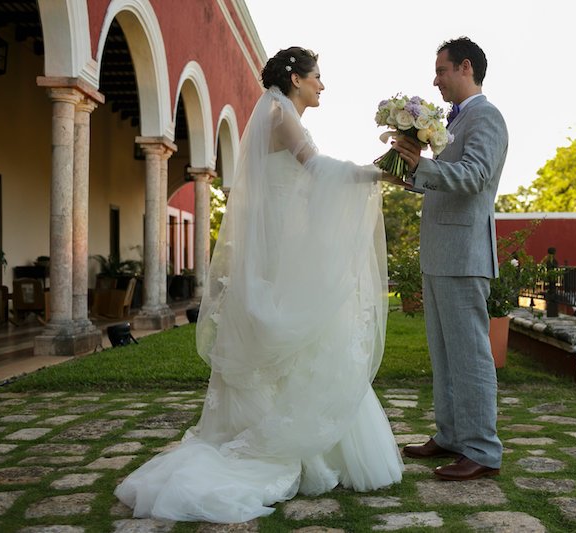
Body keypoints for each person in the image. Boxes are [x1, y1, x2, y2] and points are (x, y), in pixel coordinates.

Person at [114, 47, 403, 523]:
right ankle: (282, 439)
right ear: (295, 78)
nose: (322, 86)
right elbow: (317, 169)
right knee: (306, 336)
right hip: (285, 252)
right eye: (317, 77)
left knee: (298, 338)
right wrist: (376, 172)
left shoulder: (276, 111)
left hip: (284, 247)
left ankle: (291, 433)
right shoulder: (280, 115)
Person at [389, 37, 508, 481]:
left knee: (471, 357)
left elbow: (476, 177)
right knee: (444, 355)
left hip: (464, 255)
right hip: (440, 254)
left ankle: (482, 451)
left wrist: (421, 166)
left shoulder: (487, 116)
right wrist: (405, 171)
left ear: (464, 67)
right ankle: (452, 436)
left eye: (440, 70)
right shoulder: (454, 122)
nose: (435, 79)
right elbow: (446, 181)